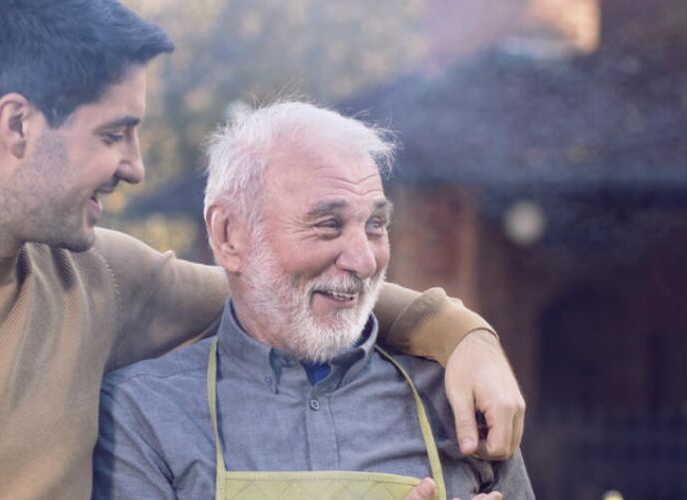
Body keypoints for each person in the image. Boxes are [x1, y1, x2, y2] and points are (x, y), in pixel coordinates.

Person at [0, 1, 525, 498]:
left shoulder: (98, 276)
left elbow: (294, 281)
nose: (138, 167)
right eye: (116, 134)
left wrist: (464, 336)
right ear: (19, 125)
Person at [92, 101, 534, 500]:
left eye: (376, 225)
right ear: (229, 235)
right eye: (328, 224)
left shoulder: (458, 400)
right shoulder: (143, 416)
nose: (364, 260)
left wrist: (469, 335)